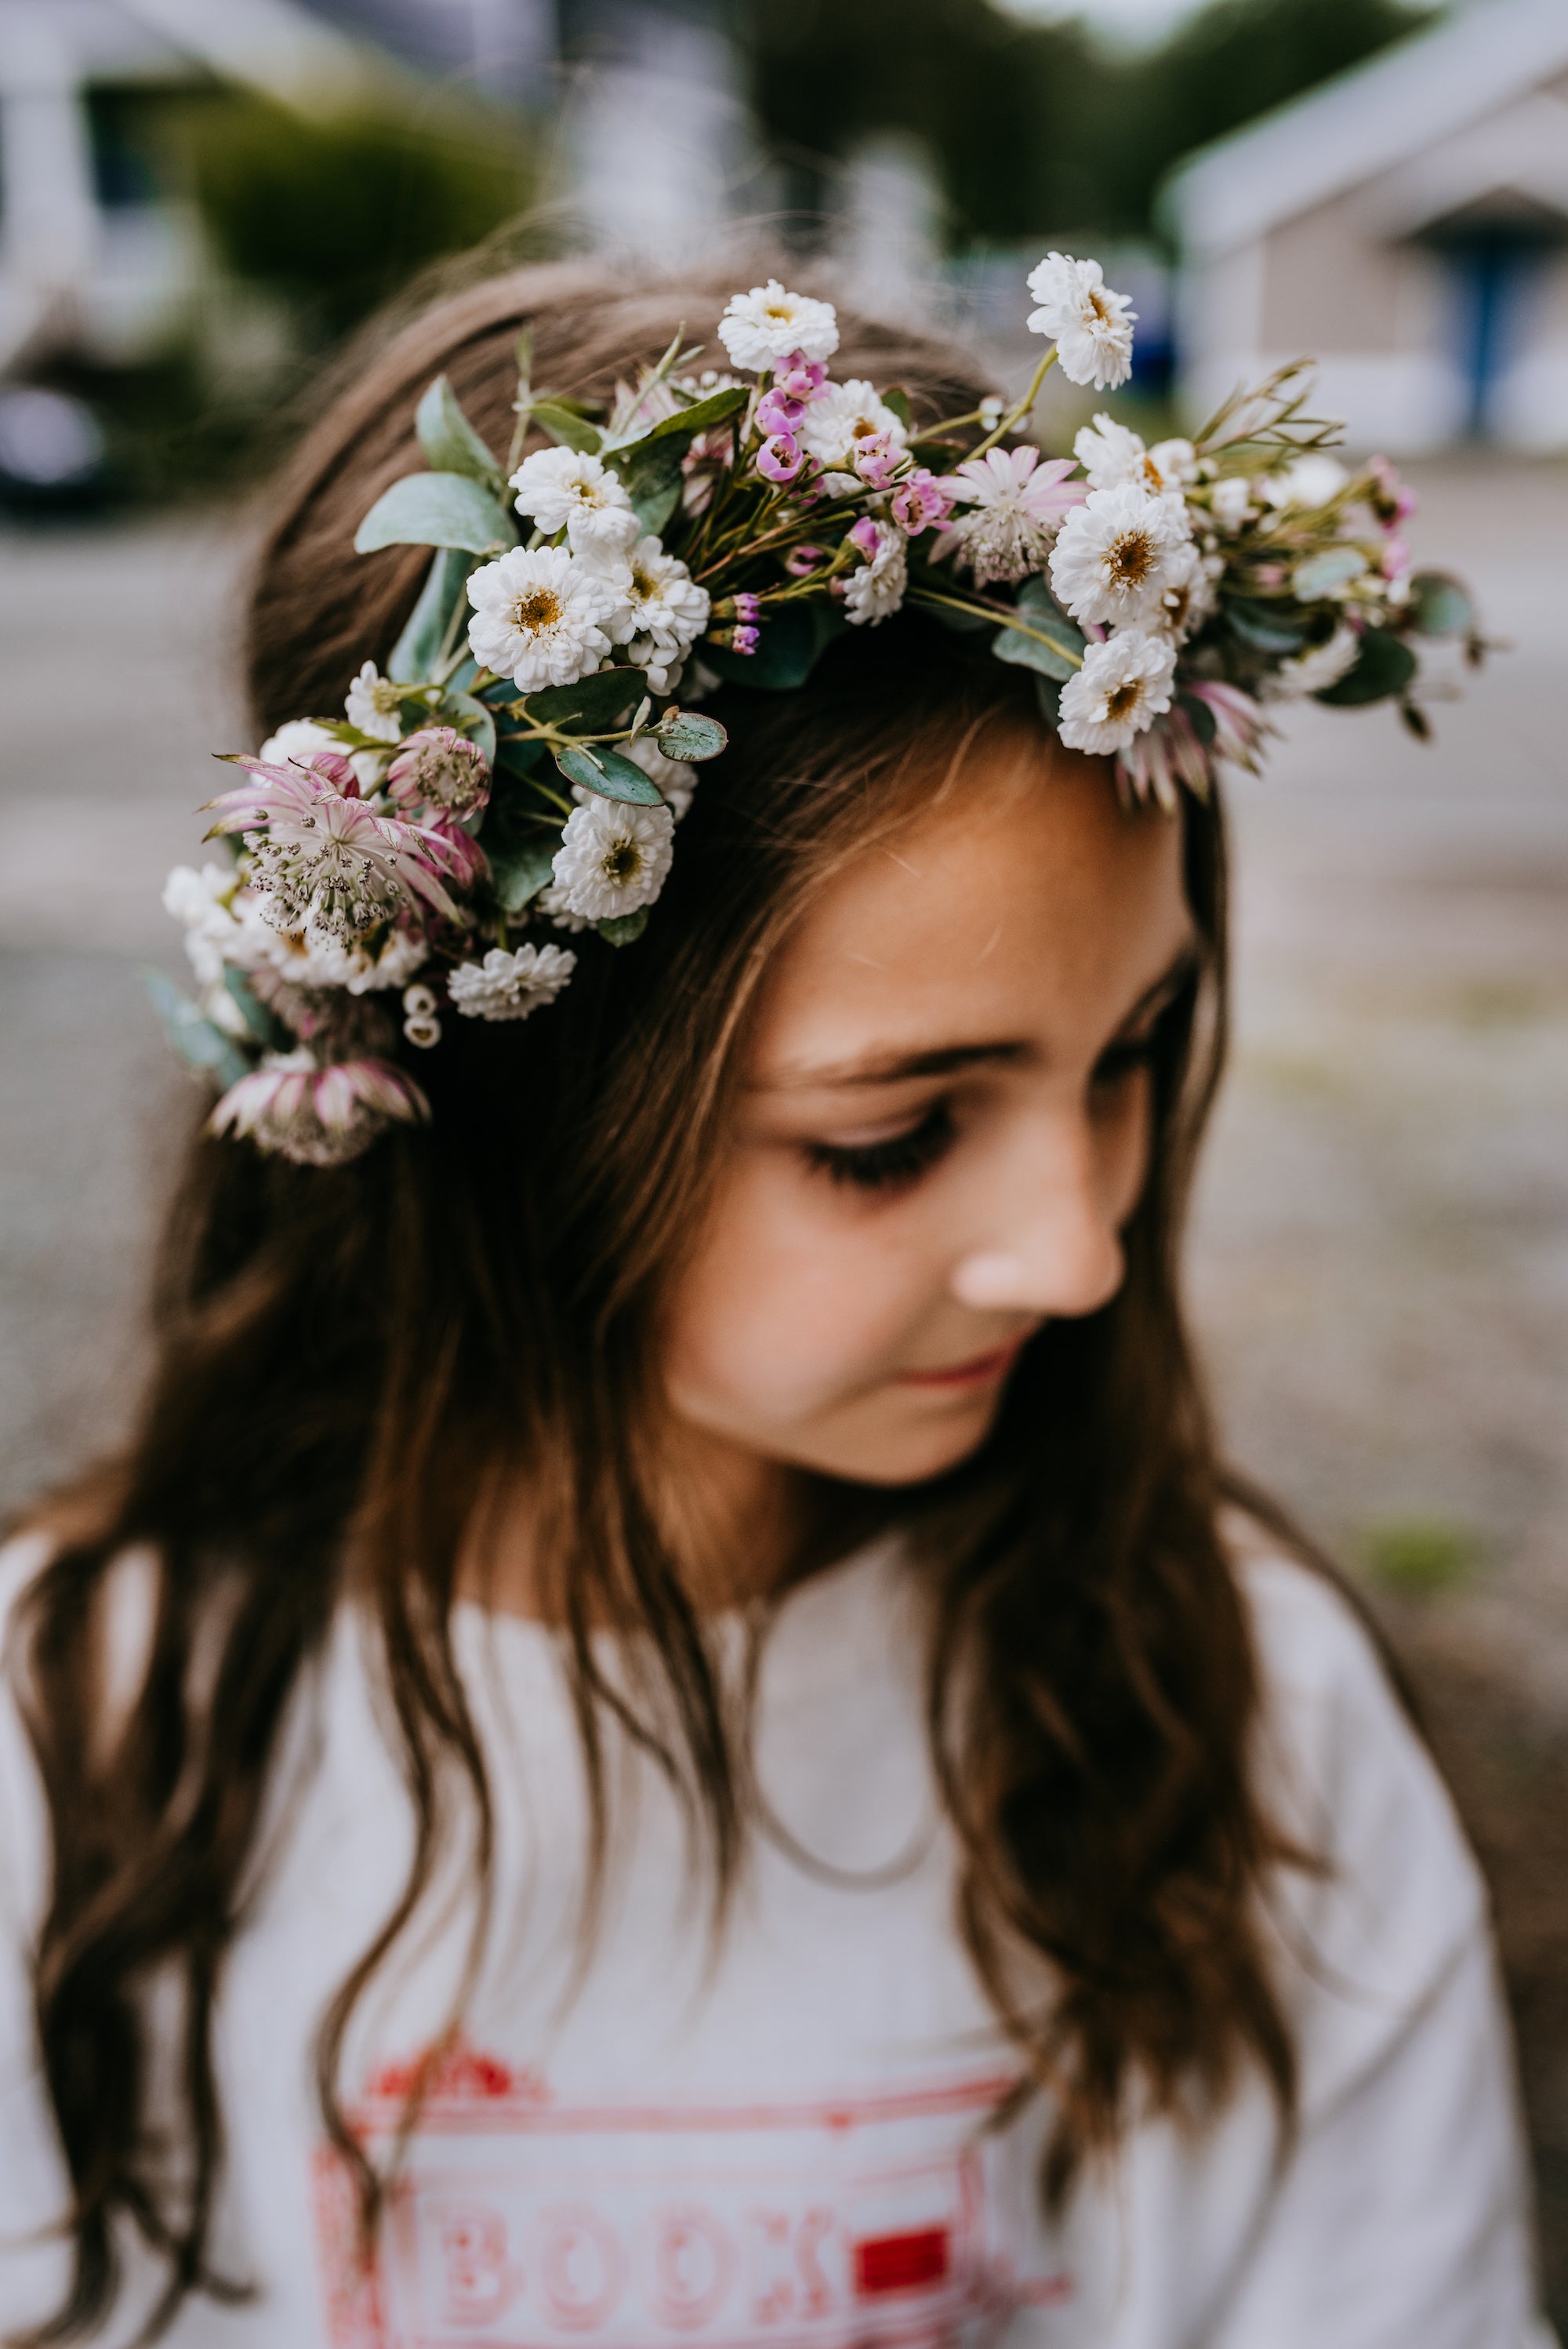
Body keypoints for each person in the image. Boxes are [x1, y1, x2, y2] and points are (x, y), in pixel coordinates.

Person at [0, 255, 1549, 2349]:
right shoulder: (73, 1750)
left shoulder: (1234, 1725)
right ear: (506, 1083)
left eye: (1131, 1057)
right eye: (890, 1136)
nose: (1081, 1252)